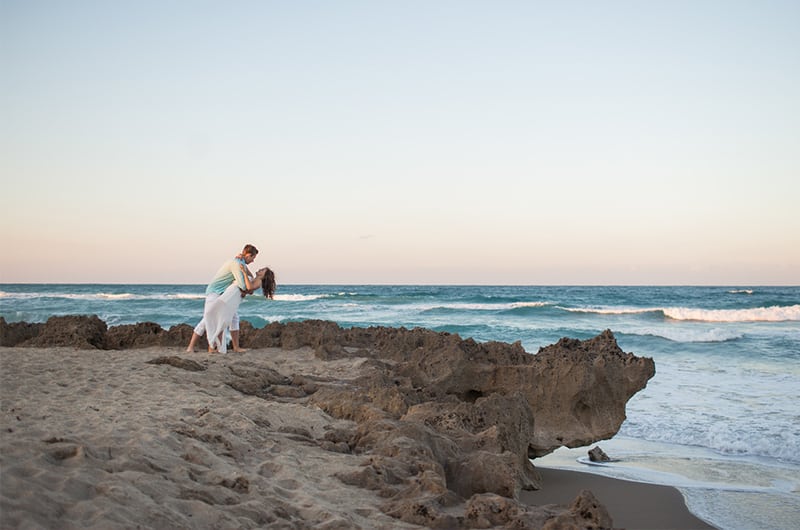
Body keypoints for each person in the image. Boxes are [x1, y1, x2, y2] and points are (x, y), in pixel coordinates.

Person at [186, 244, 260, 353]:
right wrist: (247, 290)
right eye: (253, 258)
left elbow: (248, 275)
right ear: (248, 255)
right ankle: (192, 347)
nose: (253, 261)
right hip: (214, 293)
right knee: (207, 320)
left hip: (222, 294)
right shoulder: (236, 264)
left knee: (234, 318)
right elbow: (242, 285)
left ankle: (235, 347)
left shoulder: (239, 263)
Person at [205, 267, 276, 353]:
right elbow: (248, 286)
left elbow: (249, 287)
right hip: (229, 296)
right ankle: (216, 346)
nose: (260, 269)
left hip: (230, 298)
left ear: (264, 276)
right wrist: (243, 265)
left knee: (221, 320)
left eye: (263, 270)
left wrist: (244, 274)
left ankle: (214, 347)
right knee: (221, 320)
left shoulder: (259, 281)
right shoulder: (254, 278)